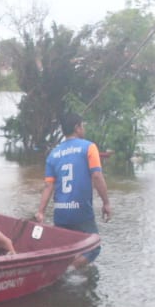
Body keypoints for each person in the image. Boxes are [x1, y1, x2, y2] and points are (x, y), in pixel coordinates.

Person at [34, 113, 113, 267]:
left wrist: (41, 211)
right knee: (93, 248)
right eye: (82, 125)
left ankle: (62, 271)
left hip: (61, 212)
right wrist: (106, 203)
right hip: (81, 211)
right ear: (77, 128)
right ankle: (67, 272)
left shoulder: (53, 154)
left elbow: (48, 186)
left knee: (65, 249)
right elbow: (97, 175)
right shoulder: (89, 147)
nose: (84, 128)